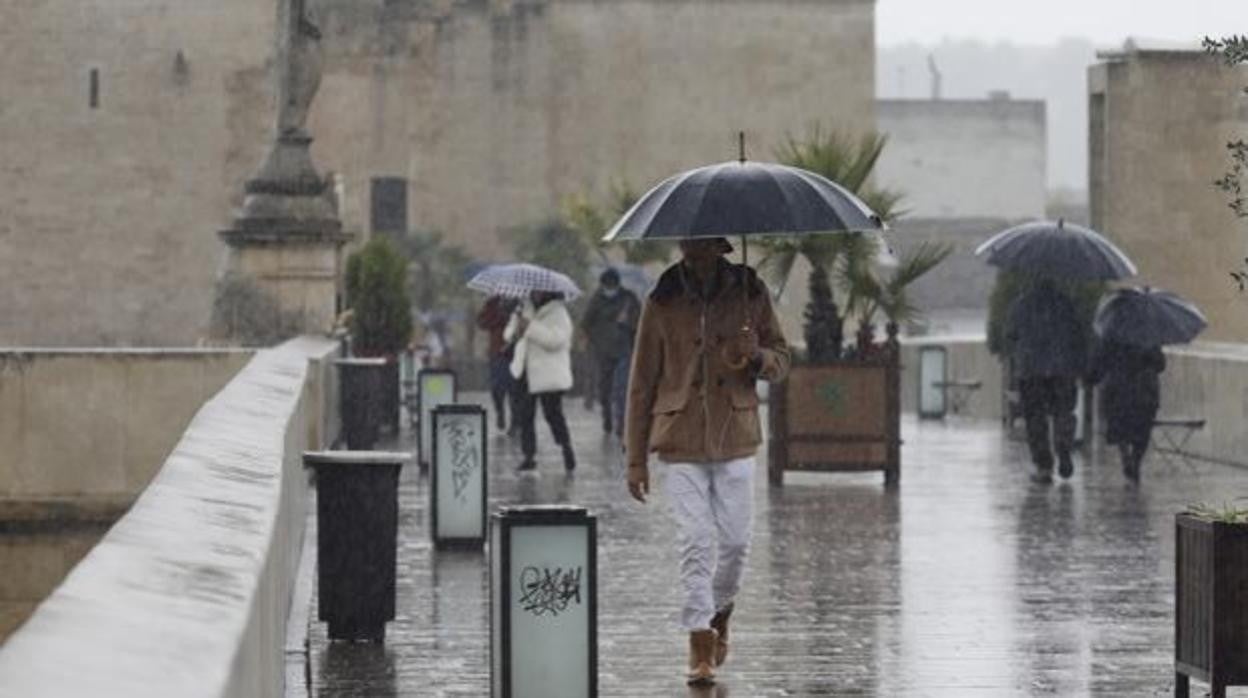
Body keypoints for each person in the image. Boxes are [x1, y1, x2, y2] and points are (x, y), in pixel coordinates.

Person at [624, 237, 790, 686]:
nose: (693, 251)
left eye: (703, 244)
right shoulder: (661, 299)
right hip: (678, 438)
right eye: (688, 243)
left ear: (720, 247)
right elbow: (642, 382)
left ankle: (721, 611)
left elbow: (782, 359)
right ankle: (699, 641)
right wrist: (635, 458)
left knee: (736, 543)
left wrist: (756, 356)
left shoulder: (750, 293)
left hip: (735, 434)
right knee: (696, 540)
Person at [1005, 277, 1088, 484]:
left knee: (1035, 418)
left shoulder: (1021, 304)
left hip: (1031, 370)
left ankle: (1044, 466)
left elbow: (1010, 334)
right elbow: (1078, 337)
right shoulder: (1067, 304)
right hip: (1062, 369)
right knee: (1063, 412)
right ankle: (1063, 447)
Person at [506, 290, 577, 472]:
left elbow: (556, 340)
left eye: (539, 291)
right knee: (525, 415)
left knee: (552, 414)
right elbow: (508, 335)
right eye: (533, 291)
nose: (535, 294)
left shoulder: (558, 313)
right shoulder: (523, 309)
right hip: (525, 371)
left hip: (548, 374)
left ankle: (565, 446)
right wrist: (516, 328)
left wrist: (530, 327)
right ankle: (529, 456)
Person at [1087, 338, 1166, 481]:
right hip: (1145, 390)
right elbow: (1161, 365)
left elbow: (1099, 361)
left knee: (1119, 426)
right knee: (1143, 429)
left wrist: (1091, 378)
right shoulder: (1148, 336)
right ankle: (1136, 460)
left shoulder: (1112, 334)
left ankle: (1125, 455)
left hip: (1118, 388)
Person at [580, 269, 642, 435]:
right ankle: (607, 417)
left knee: (621, 388)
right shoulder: (597, 299)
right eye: (606, 286)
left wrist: (627, 321)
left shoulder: (629, 298)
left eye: (612, 286)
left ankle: (621, 423)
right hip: (603, 351)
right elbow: (586, 323)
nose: (609, 289)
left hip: (624, 349)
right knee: (605, 389)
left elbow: (640, 322)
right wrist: (591, 340)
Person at [476, 295, 517, 432]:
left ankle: (515, 422)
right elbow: (481, 322)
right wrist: (499, 317)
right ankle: (500, 411)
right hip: (497, 352)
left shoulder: (521, 302)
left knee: (515, 388)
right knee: (497, 387)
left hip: (517, 352)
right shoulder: (493, 302)